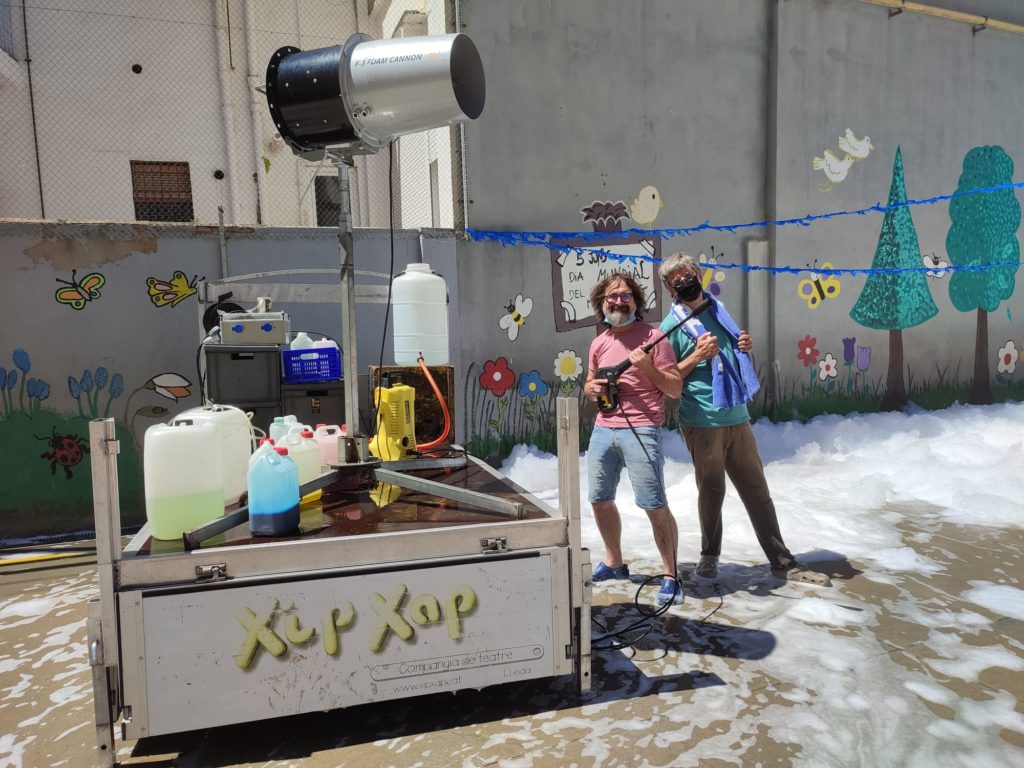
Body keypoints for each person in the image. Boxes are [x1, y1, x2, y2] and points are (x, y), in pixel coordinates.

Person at [657, 251, 830, 586]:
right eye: (677, 280)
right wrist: (697, 355)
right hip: (703, 419)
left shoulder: (718, 311)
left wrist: (743, 346)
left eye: (689, 274)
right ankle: (709, 556)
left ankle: (782, 560)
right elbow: (668, 381)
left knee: (757, 490)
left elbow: (731, 352)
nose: (686, 282)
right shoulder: (670, 328)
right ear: (669, 288)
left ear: (700, 275)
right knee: (712, 492)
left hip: (737, 415)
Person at [584, 273, 685, 605]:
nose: (618, 301)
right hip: (603, 428)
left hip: (642, 429)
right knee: (599, 499)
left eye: (625, 296)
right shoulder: (599, 343)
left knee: (654, 504)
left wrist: (648, 368)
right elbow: (589, 382)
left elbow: (674, 388)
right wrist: (591, 388)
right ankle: (614, 563)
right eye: (611, 297)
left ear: (636, 302)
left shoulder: (655, 338)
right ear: (601, 303)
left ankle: (671, 575)